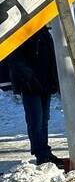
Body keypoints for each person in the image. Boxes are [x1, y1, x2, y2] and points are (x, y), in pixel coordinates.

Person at [6, 26, 65, 168]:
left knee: (44, 119)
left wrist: (55, 81)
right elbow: (16, 58)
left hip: (45, 82)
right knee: (35, 120)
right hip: (30, 84)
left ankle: (45, 152)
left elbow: (50, 57)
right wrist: (29, 78)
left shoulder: (43, 31)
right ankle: (41, 154)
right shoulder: (21, 31)